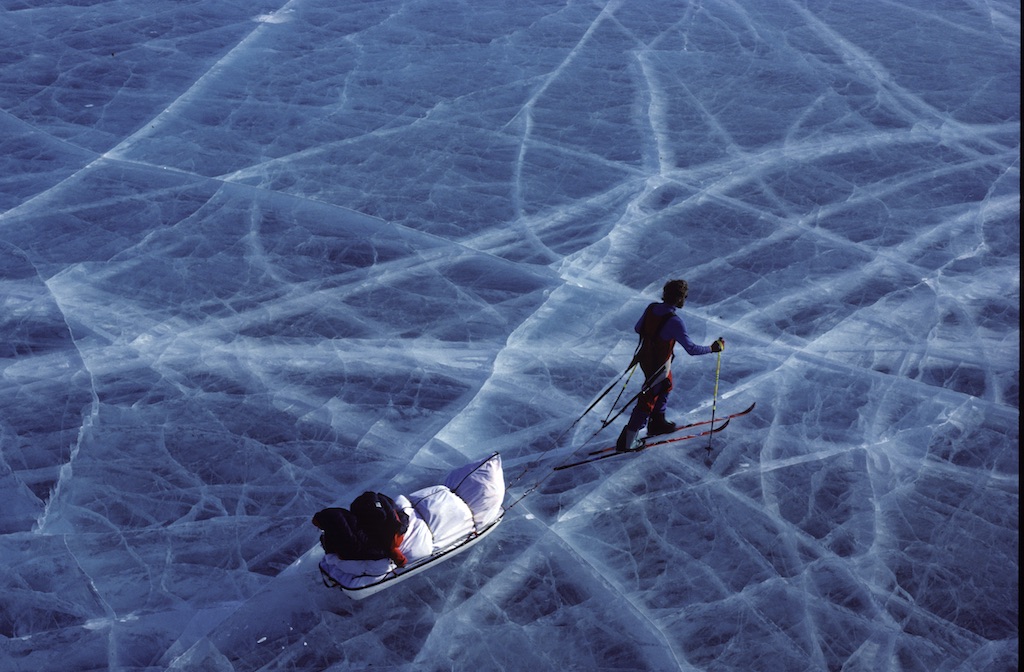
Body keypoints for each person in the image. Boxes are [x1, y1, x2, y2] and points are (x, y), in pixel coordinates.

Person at [616, 279, 724, 452]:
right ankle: (628, 441)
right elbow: (691, 349)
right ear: (681, 298)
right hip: (659, 364)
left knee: (666, 385)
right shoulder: (674, 321)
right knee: (648, 398)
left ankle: (657, 422)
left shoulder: (652, 308)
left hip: (646, 359)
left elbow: (638, 328)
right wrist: (712, 348)